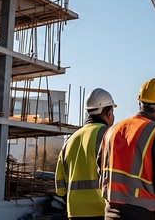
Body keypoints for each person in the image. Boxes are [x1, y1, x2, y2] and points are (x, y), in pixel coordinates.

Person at [97, 78, 155, 220]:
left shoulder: (112, 130)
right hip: (142, 213)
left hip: (110, 211)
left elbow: (100, 168)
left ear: (140, 104)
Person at [55, 88, 117, 220]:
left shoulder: (70, 140)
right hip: (102, 211)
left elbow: (60, 186)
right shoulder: (109, 136)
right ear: (109, 113)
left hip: (74, 212)